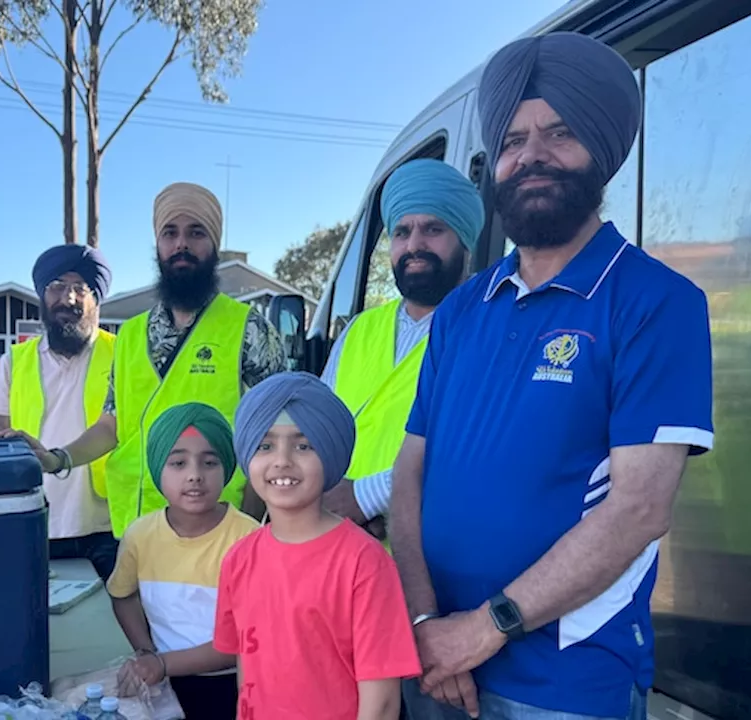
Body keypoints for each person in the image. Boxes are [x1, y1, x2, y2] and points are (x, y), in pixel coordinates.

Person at [390, 32, 714, 720]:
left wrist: (479, 632)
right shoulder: (459, 312)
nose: (530, 154)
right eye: (511, 140)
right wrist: (425, 627)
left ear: (600, 150)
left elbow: (638, 509)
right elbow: (410, 472)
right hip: (434, 663)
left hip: (566, 686)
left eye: (558, 133)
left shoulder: (657, 302)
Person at [13, 182, 285, 539]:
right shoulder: (131, 335)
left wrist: (250, 529)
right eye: (170, 233)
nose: (181, 245)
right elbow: (110, 428)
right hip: (136, 533)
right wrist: (58, 459)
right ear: (157, 245)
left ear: (214, 244)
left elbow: (275, 438)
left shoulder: (249, 329)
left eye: (195, 233)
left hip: (218, 534)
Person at [214, 372, 421, 720]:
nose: (282, 460)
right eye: (265, 446)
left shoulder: (364, 563)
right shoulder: (239, 559)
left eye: (303, 445)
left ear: (329, 452)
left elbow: (382, 703)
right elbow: (247, 668)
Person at [320, 158, 485, 532]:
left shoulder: (489, 328)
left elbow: (476, 448)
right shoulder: (360, 330)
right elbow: (317, 432)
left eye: (433, 229)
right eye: (401, 232)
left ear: (464, 239)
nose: (414, 245)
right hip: (345, 558)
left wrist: (365, 498)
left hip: (436, 563)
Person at [106, 402, 258, 720]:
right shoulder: (140, 535)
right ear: (157, 467)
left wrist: (161, 663)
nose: (194, 476)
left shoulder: (249, 539)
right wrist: (145, 650)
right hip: (164, 684)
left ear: (228, 468)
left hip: (237, 686)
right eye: (178, 463)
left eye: (209, 462)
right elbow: (123, 595)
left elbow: (247, 639)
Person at [0, 245, 119, 580]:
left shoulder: (124, 355)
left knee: (114, 627)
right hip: (35, 520)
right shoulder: (14, 362)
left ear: (96, 299)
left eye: (80, 288)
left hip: (111, 525)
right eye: (57, 287)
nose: (68, 298)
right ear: (42, 296)